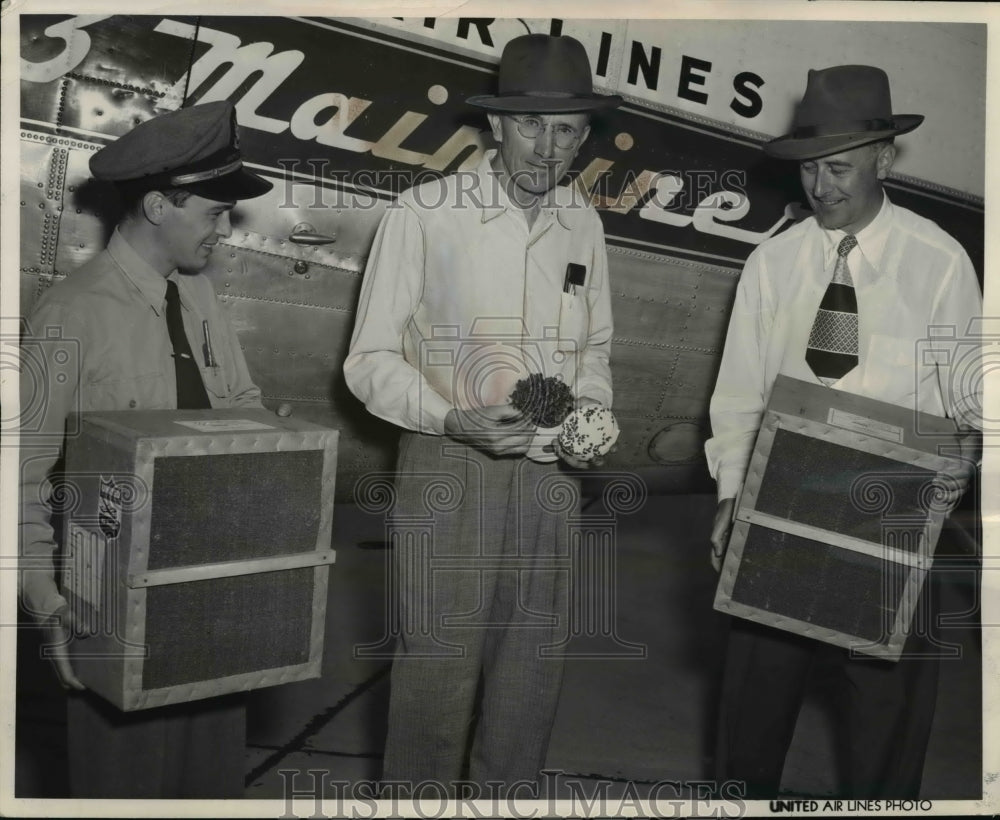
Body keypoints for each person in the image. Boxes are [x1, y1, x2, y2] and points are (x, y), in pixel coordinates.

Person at [344, 34, 620, 794]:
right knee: (436, 676)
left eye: (566, 129)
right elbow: (367, 361)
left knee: (530, 676)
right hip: (449, 464)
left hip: (552, 476)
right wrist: (446, 418)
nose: (547, 145)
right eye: (530, 125)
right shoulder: (428, 212)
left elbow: (594, 344)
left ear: (583, 137)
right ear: (496, 125)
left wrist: (591, 410)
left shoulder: (582, 223)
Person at [704, 65, 982, 798]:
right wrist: (733, 497)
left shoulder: (942, 265)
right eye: (810, 171)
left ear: (884, 159)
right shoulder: (772, 264)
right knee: (750, 733)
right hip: (781, 507)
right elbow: (738, 396)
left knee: (885, 739)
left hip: (893, 509)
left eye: (839, 169)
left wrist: (966, 452)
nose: (821, 188)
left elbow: (971, 399)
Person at [18, 100, 271, 798]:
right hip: (113, 600)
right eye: (214, 214)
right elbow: (20, 474)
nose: (222, 232)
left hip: (212, 592)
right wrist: (44, 600)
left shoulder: (199, 296)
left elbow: (240, 407)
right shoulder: (71, 313)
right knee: (125, 791)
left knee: (211, 785)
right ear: (160, 206)